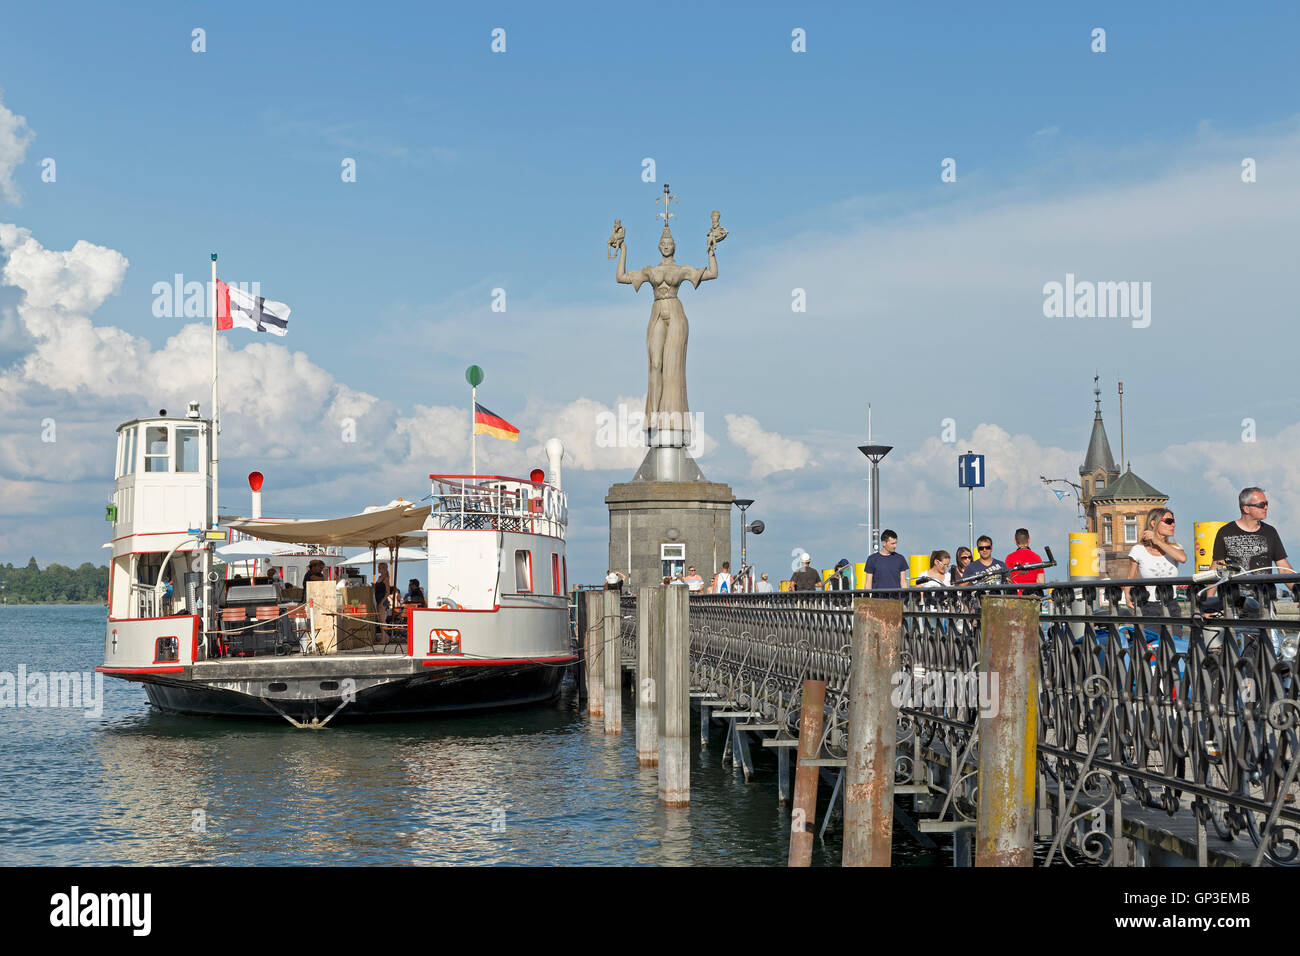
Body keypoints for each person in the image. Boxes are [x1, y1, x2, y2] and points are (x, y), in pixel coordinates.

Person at [1212, 487, 1293, 574]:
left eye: (1267, 503)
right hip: (1235, 588)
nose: (1266, 507)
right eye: (1261, 505)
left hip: (1265, 588)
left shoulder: (1270, 532)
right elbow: (1216, 567)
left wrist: (1296, 587)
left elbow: (1283, 568)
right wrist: (1209, 587)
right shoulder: (1225, 532)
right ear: (1246, 509)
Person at [1124, 507, 1185, 614]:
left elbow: (1182, 558)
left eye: (1173, 521)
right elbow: (1130, 577)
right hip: (1149, 606)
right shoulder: (1138, 550)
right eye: (1169, 521)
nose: (1173, 525)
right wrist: (1127, 598)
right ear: (1153, 523)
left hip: (1172, 605)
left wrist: (1156, 541)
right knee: (1150, 631)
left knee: (1175, 631)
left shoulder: (1175, 547)